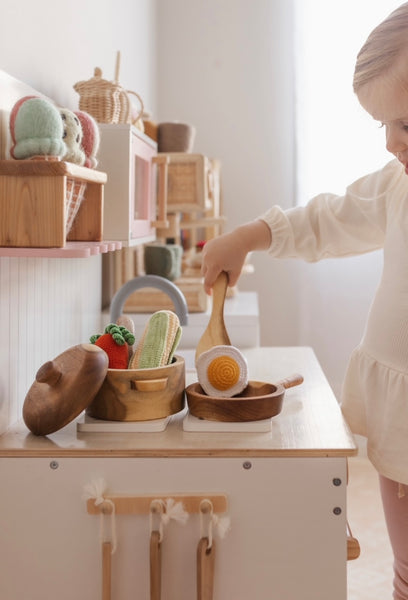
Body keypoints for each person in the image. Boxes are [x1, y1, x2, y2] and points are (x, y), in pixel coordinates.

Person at [201, 4, 408, 599]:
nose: (393, 142)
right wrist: (247, 236)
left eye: (407, 125)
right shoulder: (397, 186)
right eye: (383, 127)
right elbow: (329, 219)